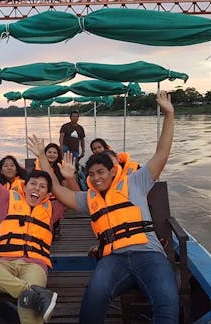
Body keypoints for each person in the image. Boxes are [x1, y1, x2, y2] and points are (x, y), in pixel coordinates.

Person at [29, 91, 179, 323]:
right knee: (91, 303)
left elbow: (162, 153)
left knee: (167, 305)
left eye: (100, 172)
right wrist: (42, 158)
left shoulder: (136, 182)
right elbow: (58, 191)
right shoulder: (90, 198)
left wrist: (169, 114)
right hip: (113, 259)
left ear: (112, 171)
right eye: (91, 174)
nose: (96, 178)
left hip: (149, 254)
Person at [0, 111, 64, 324]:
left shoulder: (53, 208)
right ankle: (29, 293)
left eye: (43, 186)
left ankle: (28, 295)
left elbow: (70, 190)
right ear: (24, 186)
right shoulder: (8, 199)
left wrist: (44, 158)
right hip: (3, 264)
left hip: (34, 264)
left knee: (27, 306)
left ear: (47, 193)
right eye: (33, 183)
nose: (38, 188)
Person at [35, 143, 80, 240]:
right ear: (44, 154)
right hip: (42, 198)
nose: (52, 154)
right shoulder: (38, 167)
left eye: (55, 152)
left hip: (56, 199)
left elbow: (66, 187)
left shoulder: (61, 168)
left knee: (54, 208)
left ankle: (55, 227)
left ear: (58, 155)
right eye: (49, 152)